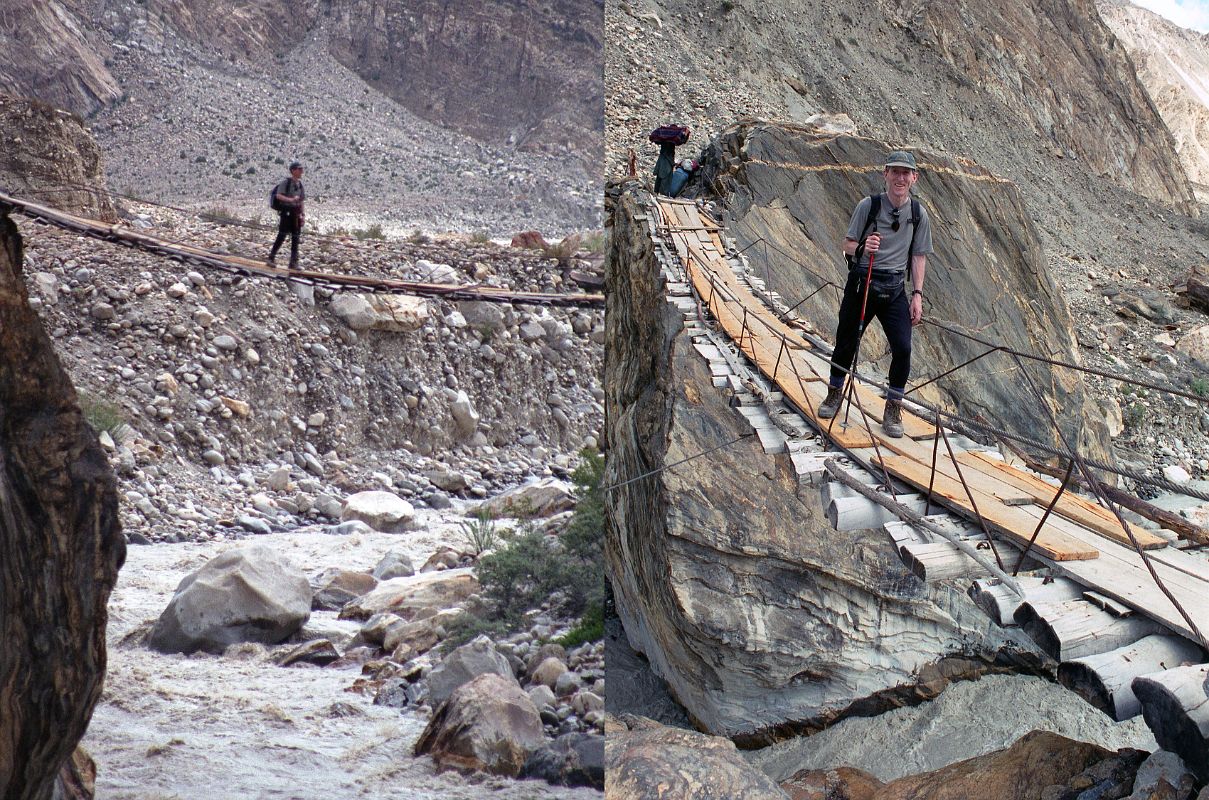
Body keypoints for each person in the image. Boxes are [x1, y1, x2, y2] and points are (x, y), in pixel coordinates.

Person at [817, 150, 933, 438]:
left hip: (894, 288)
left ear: (914, 178)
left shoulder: (918, 214)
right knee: (846, 341)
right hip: (863, 283)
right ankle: (834, 392)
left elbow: (919, 256)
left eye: (906, 173)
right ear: (885, 174)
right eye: (895, 171)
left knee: (903, 348)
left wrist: (917, 294)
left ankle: (893, 405)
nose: (900, 177)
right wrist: (862, 248)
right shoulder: (868, 206)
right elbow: (846, 244)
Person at [268, 161, 305, 269]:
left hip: (296, 214)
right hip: (286, 213)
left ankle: (293, 262)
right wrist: (291, 200)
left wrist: (303, 215)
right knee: (282, 235)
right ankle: (271, 257)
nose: (301, 171)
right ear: (293, 170)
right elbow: (279, 196)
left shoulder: (300, 185)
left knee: (296, 237)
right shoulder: (286, 183)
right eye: (299, 169)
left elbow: (302, 201)